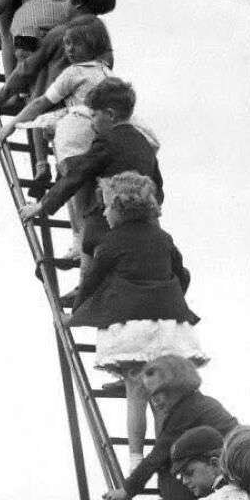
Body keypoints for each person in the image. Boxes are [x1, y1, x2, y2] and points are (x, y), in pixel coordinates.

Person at [62, 173, 205, 472]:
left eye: (106, 207)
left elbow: (90, 281)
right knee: (163, 398)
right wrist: (170, 299)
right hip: (168, 328)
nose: (103, 212)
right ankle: (166, 458)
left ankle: (136, 459)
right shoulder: (163, 239)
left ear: (118, 209)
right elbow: (183, 275)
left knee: (136, 395)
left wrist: (74, 314)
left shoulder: (111, 242)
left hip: (132, 329)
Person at [20, 79, 163, 272]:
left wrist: (42, 205)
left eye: (94, 116)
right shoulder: (144, 144)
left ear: (110, 115)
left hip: (107, 222)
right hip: (141, 225)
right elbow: (158, 189)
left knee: (90, 274)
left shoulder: (106, 142)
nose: (92, 124)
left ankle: (83, 290)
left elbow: (77, 175)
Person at [0, 17, 113, 246]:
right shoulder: (106, 73)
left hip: (78, 138)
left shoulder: (74, 72)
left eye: (74, 44)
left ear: (91, 45)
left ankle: (80, 241)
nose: (68, 49)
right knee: (90, 192)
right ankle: (84, 239)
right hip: (100, 139)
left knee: (75, 187)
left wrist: (12, 125)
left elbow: (41, 101)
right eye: (66, 43)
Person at [103, 355, 239, 500]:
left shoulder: (186, 411)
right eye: (150, 397)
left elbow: (158, 453)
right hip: (231, 464)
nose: (154, 402)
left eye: (157, 394)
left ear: (176, 387)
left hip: (231, 465)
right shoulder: (197, 403)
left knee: (173, 459)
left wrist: (126, 490)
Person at [0, 0, 117, 108]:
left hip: (49, 110)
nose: (65, 3)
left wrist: (0, 96)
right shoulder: (103, 43)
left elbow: (26, 70)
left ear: (78, 5)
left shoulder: (61, 33)